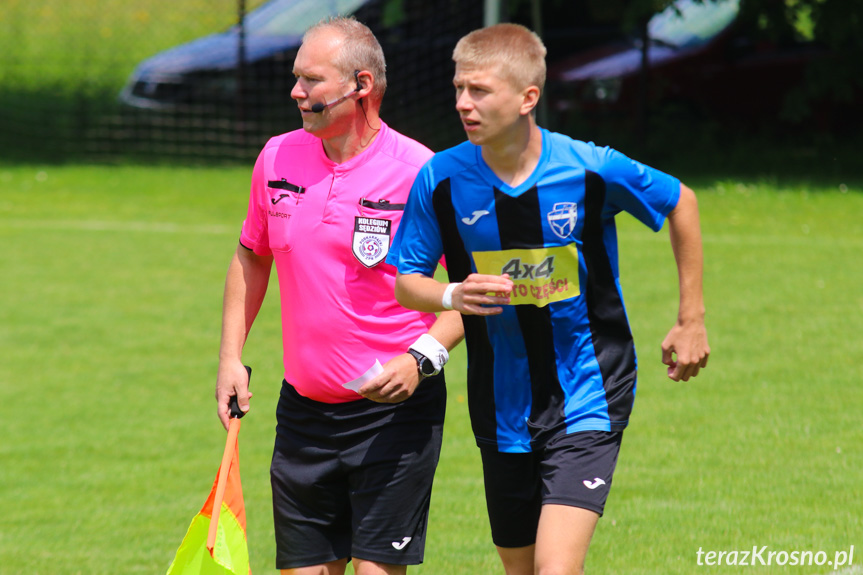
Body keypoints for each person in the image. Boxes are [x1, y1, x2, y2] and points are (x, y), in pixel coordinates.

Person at [387, 23, 710, 575]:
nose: (464, 103)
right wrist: (452, 293)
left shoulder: (589, 168)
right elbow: (405, 280)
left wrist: (691, 318)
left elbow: (680, 200)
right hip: (499, 403)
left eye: (480, 90)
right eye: (459, 88)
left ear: (527, 98)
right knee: (522, 568)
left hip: (590, 390)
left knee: (554, 569)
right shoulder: (440, 179)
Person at [215, 17, 463, 575]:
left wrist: (421, 360)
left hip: (393, 415)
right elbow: (252, 255)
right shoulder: (276, 158)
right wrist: (231, 357)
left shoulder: (422, 172)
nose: (296, 93)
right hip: (302, 414)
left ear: (361, 85)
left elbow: (466, 293)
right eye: (296, 78)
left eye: (312, 81)